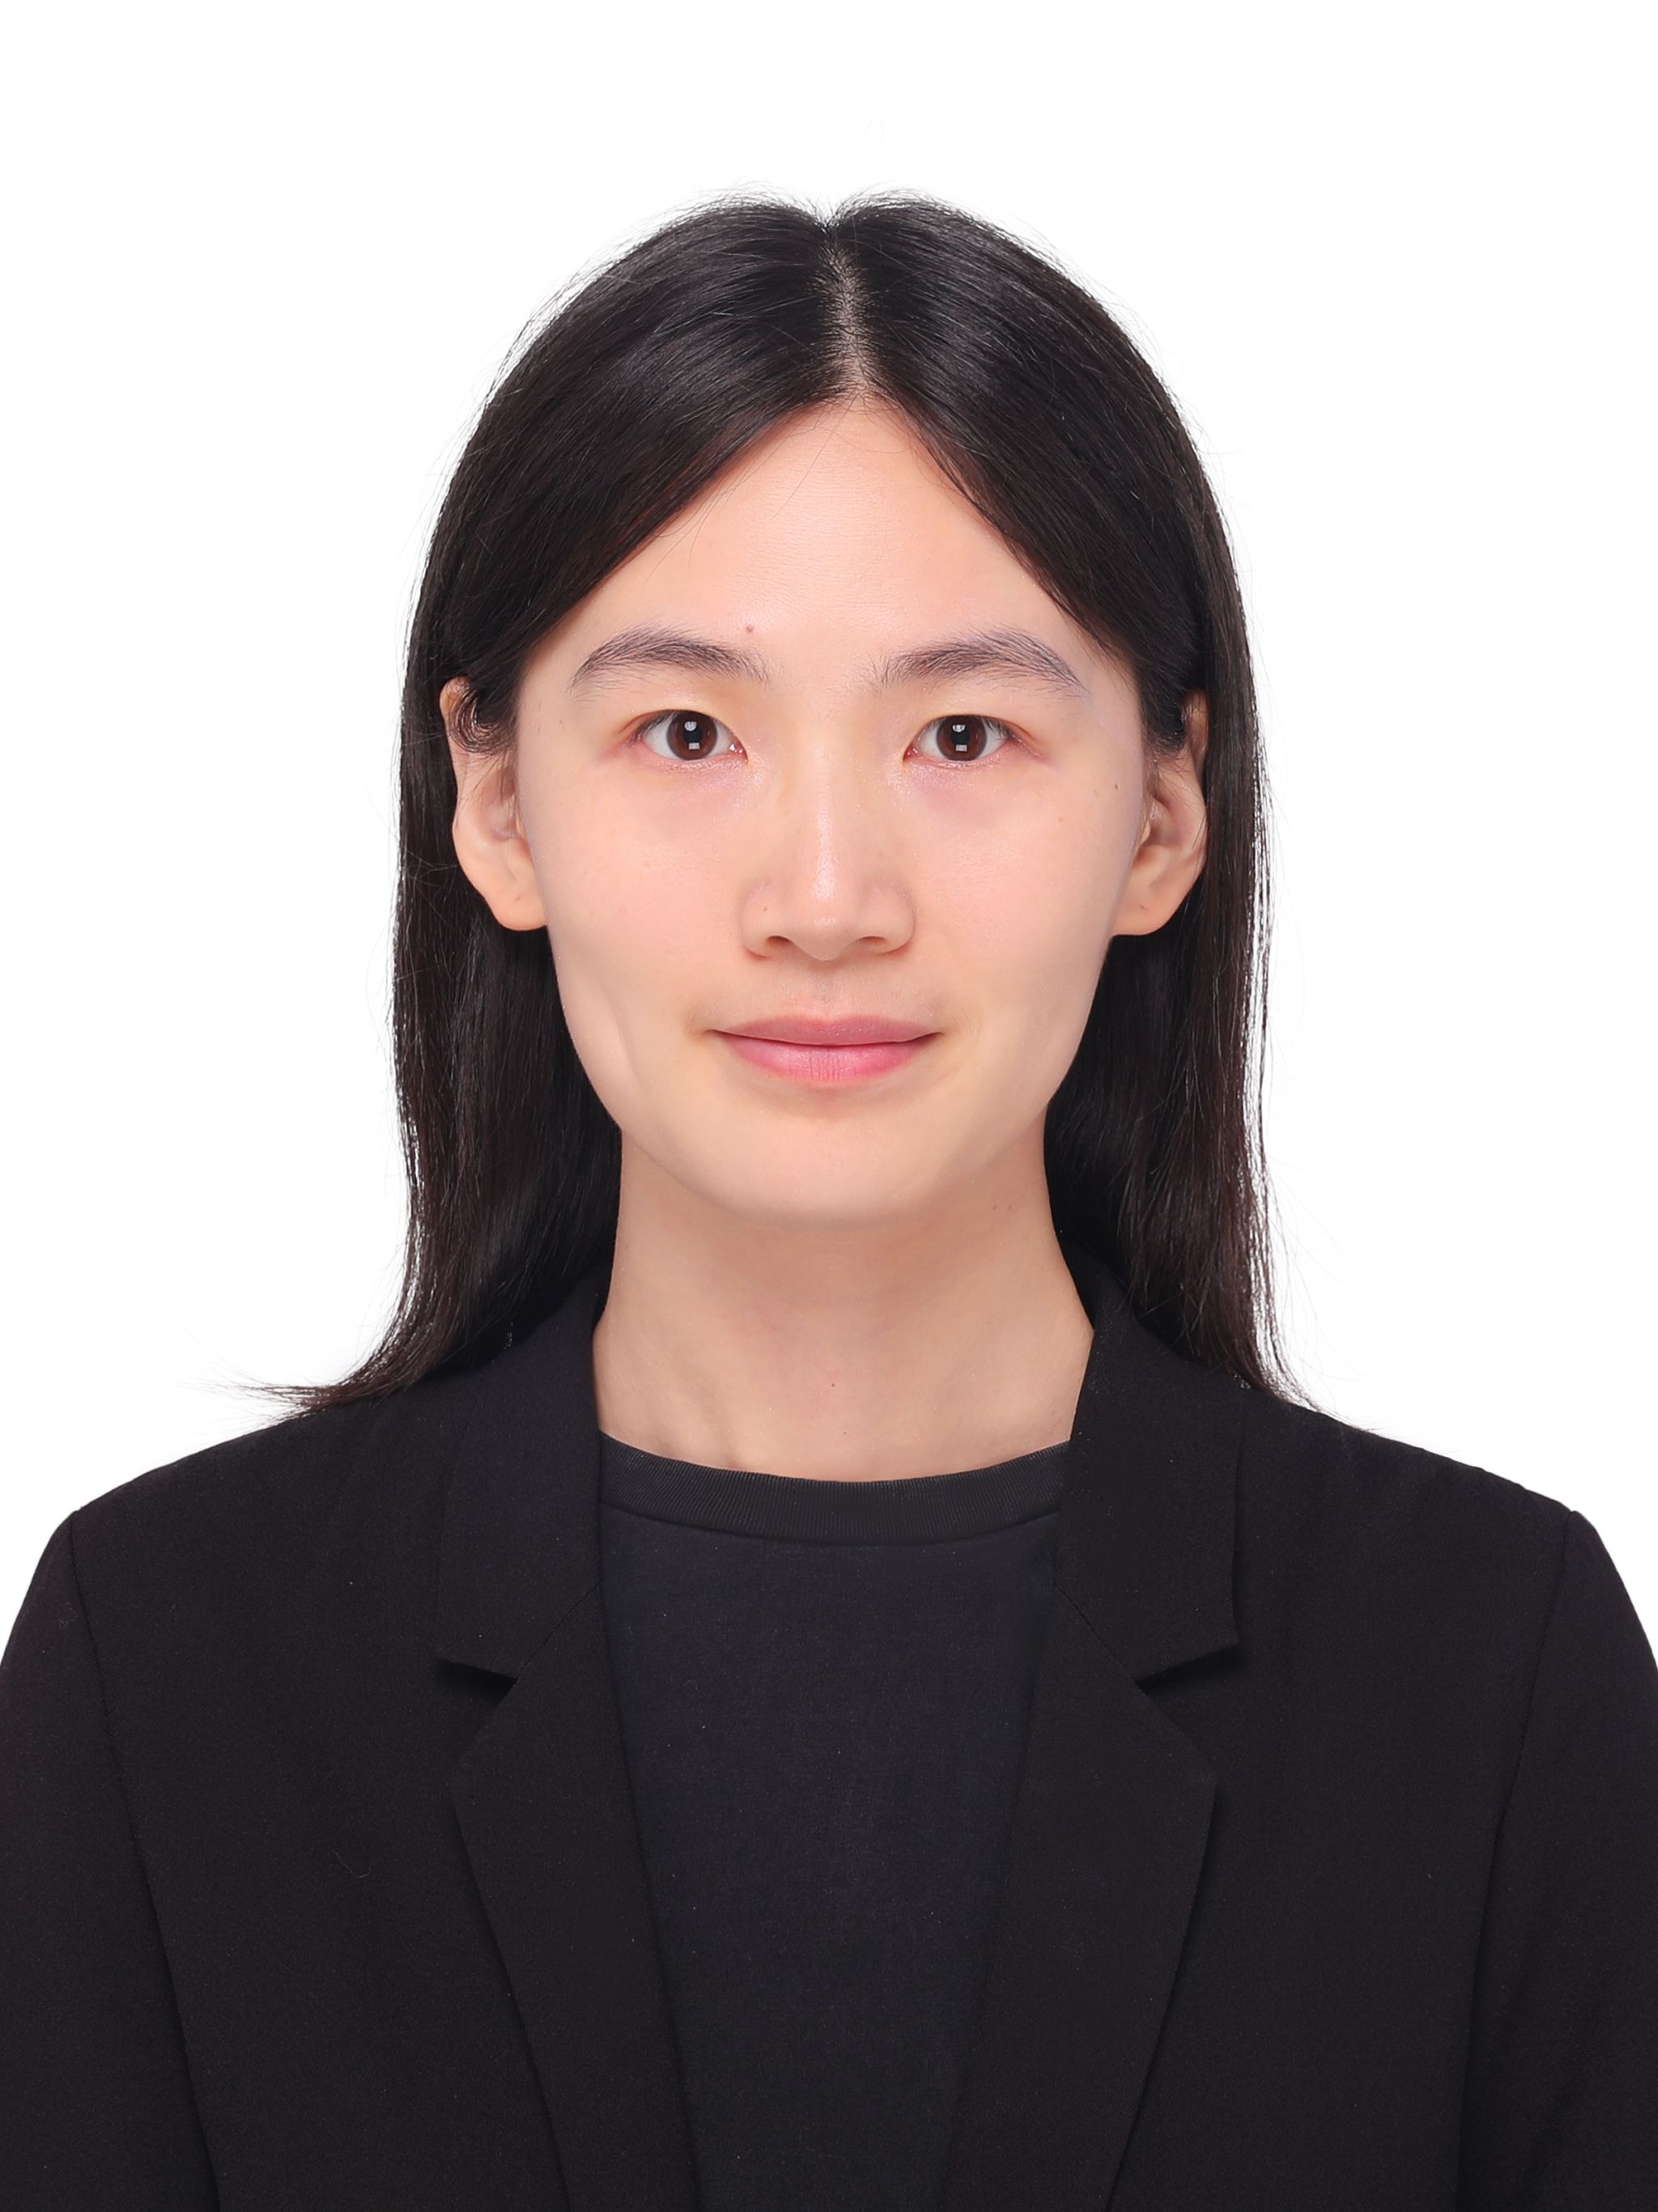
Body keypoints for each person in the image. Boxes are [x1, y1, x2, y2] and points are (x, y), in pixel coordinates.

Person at [2, 193, 1654, 2212]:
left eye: (962, 734)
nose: (824, 899)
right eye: (687, 732)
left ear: (1161, 814)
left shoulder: (1487, 1667)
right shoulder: (168, 1662)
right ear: (497, 805)